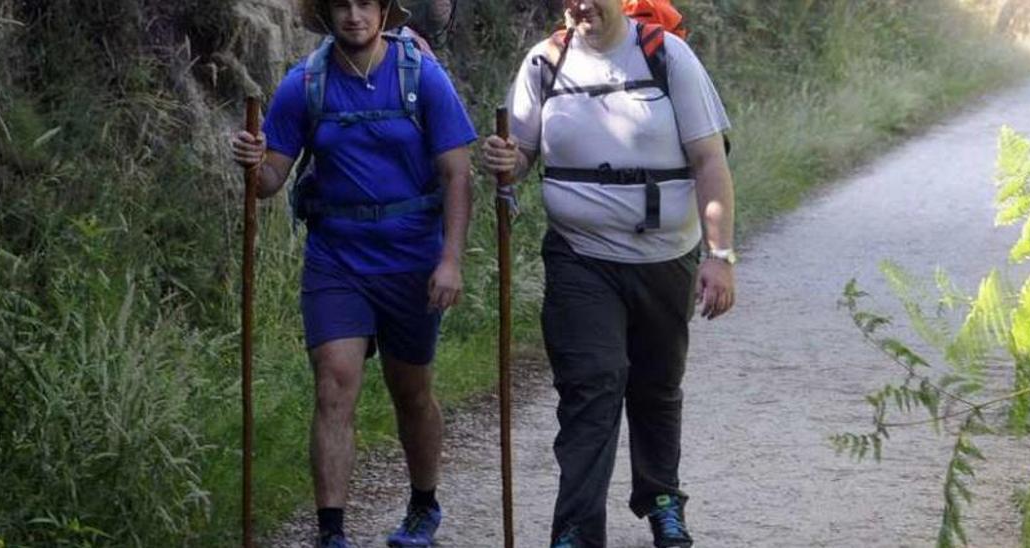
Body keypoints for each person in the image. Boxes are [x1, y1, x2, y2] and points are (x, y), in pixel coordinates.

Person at [480, 0, 737, 545]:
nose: (579, 4)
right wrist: (508, 161)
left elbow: (710, 161)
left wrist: (719, 255)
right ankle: (575, 528)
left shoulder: (668, 56)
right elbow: (522, 153)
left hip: (665, 256)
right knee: (590, 387)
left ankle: (662, 496)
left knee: (656, 385)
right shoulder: (544, 63)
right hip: (580, 256)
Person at [229, 0, 476, 546]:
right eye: (341, 4)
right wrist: (253, 160)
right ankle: (331, 531)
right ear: (326, 13)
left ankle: (422, 506)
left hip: (412, 259)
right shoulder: (305, 84)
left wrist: (450, 259)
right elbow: (272, 178)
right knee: (334, 384)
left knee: (410, 390)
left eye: (365, 3)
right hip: (336, 260)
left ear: (384, 10)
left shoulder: (421, 76)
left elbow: (458, 173)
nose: (354, 15)